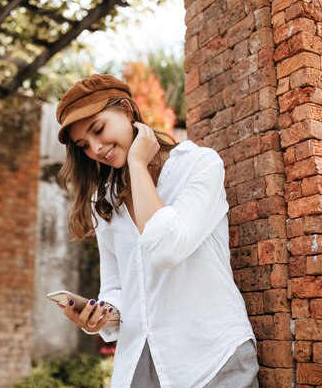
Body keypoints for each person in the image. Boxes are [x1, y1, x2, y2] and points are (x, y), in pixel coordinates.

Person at [54, 74, 258, 388]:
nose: (95, 148)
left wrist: (137, 163)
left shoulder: (199, 165)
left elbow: (167, 249)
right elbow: (117, 288)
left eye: (98, 129)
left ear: (126, 110)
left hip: (211, 360)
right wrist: (101, 316)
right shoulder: (103, 202)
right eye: (84, 145)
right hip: (139, 365)